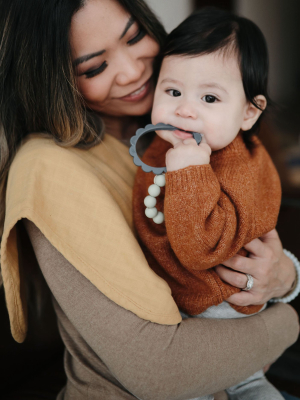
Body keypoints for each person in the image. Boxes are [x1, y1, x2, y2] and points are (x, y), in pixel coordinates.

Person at [0, 1, 299, 399]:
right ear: (53, 80)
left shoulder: (188, 118)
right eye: (93, 67)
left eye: (135, 36)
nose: (133, 70)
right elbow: (159, 372)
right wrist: (287, 323)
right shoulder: (49, 169)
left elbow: (258, 233)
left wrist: (285, 275)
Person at [132, 8, 294, 400]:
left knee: (253, 388)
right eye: (172, 92)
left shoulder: (238, 168)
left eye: (209, 97)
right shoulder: (159, 144)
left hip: (223, 316)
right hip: (183, 317)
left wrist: (188, 173)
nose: (185, 109)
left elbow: (199, 248)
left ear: (248, 113)